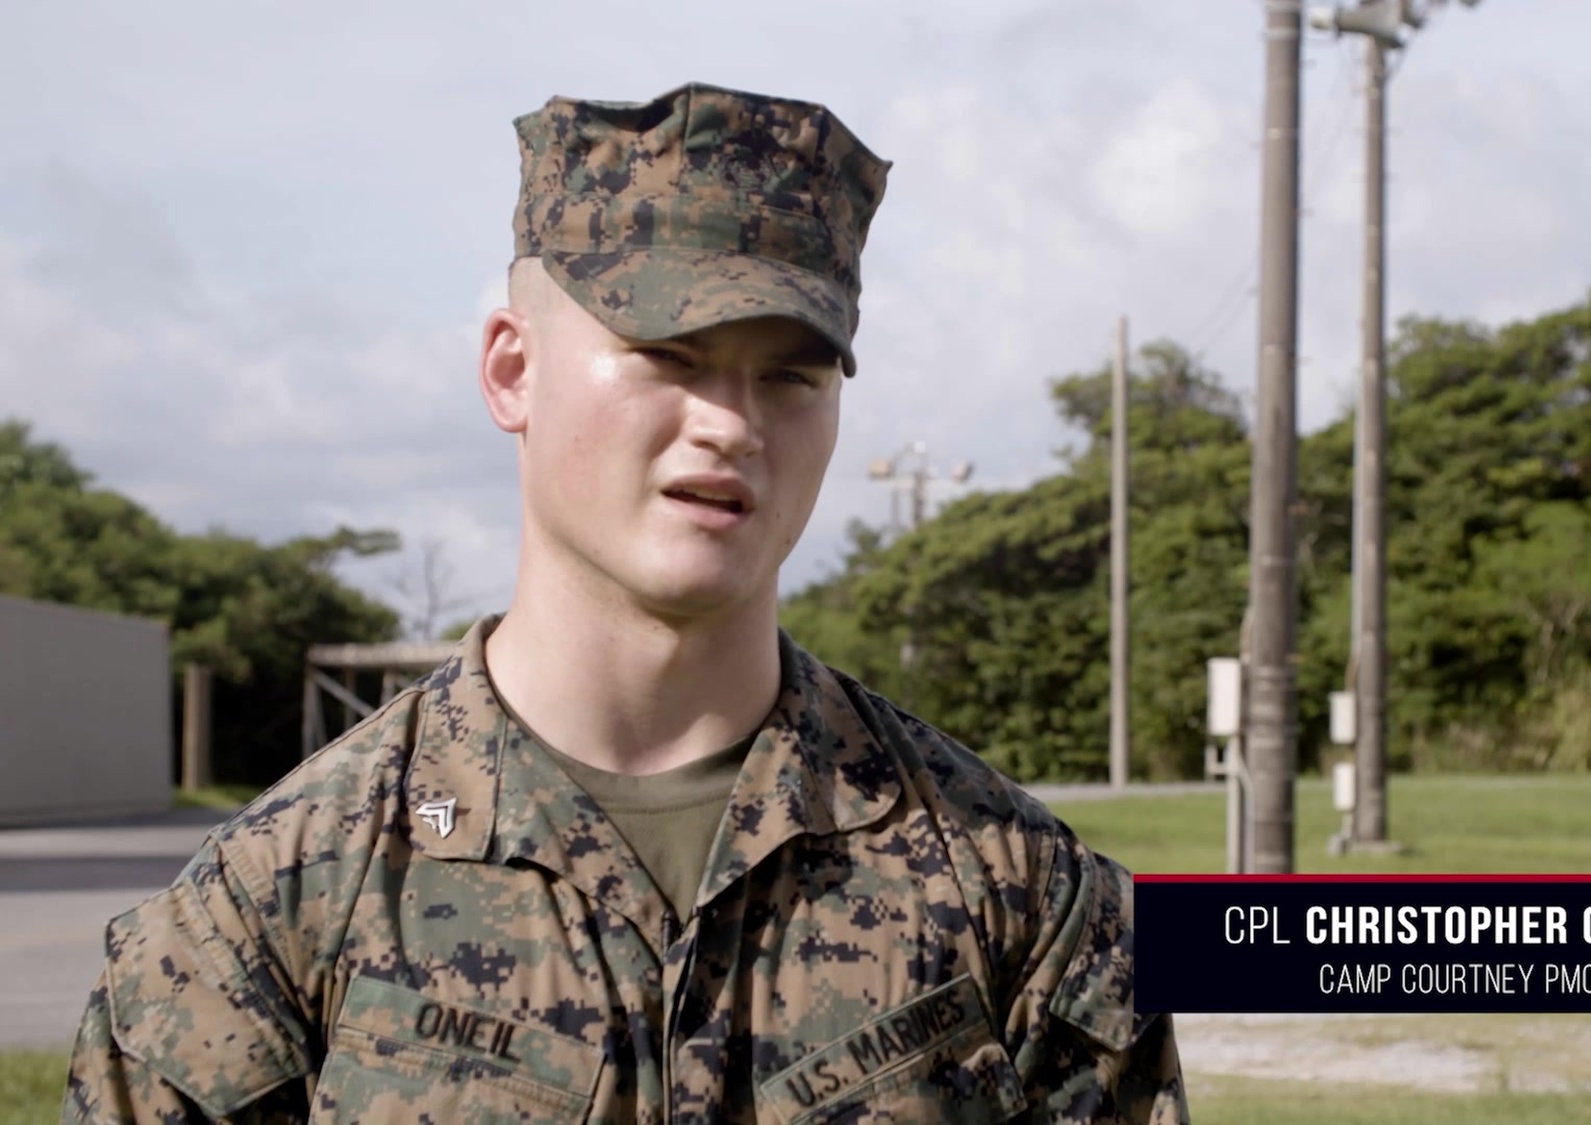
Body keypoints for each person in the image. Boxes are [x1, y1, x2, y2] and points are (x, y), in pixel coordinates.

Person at [63, 82, 1188, 1124]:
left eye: (789, 375)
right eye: (667, 352)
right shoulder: (270, 911)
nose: (730, 424)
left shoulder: (1019, 901)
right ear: (512, 370)